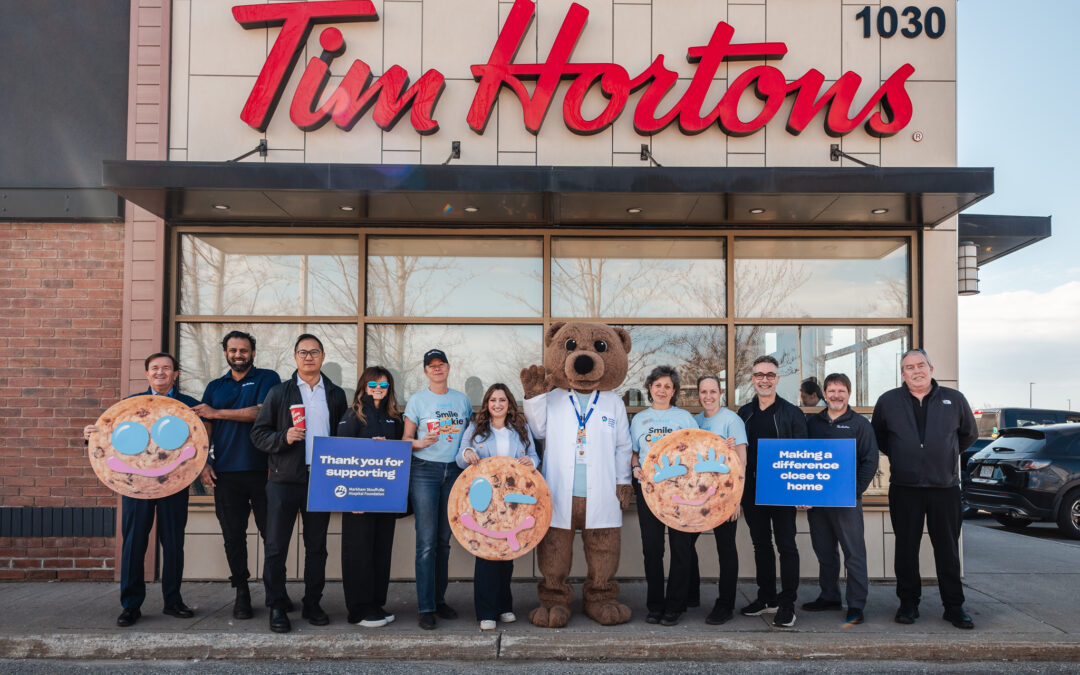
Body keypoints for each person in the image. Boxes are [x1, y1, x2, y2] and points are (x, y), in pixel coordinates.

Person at [82, 352, 207, 628]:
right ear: (147, 373)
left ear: (176, 374)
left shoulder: (190, 406)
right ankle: (130, 605)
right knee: (134, 543)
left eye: (167, 368)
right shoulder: (129, 406)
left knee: (173, 544)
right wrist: (91, 436)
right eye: (155, 368)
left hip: (175, 483)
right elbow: (110, 440)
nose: (160, 372)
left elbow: (203, 441)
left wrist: (206, 464)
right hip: (135, 485)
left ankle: (173, 601)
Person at [871, 349, 978, 630]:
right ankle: (908, 603)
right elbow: (879, 436)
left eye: (920, 365)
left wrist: (943, 455)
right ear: (902, 374)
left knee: (947, 549)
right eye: (909, 367)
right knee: (906, 549)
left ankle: (954, 607)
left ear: (931, 368)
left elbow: (968, 435)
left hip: (945, 487)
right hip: (904, 488)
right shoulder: (888, 401)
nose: (916, 371)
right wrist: (904, 454)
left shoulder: (954, 399)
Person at [251, 334, 348, 633]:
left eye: (314, 352)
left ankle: (312, 603)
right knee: (276, 547)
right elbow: (258, 434)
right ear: (295, 357)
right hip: (283, 480)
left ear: (323, 356)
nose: (308, 357)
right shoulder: (279, 392)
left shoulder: (335, 394)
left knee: (317, 547)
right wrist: (284, 437)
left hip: (321, 479)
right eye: (303, 352)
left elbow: (344, 436)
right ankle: (277, 606)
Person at [191, 330, 280, 620]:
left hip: (264, 471)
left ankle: (275, 593)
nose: (238, 355)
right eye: (233, 350)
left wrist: (217, 412)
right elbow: (205, 426)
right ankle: (241, 591)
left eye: (243, 350)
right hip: (225, 474)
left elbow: (261, 412)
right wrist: (203, 462)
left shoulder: (267, 378)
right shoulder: (215, 386)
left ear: (252, 353)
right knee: (233, 536)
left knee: (272, 537)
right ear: (226, 353)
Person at [456, 383, 540, 631]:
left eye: (502, 400)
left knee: (506, 553)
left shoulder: (520, 428)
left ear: (509, 404)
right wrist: (468, 453)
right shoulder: (476, 427)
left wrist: (530, 461)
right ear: (487, 404)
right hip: (484, 501)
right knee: (486, 553)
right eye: (493, 400)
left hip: (512, 501)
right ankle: (486, 612)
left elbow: (535, 456)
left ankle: (504, 606)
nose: (497, 404)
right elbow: (460, 456)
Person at [403, 348, 472, 630]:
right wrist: (421, 443)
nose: (437, 369)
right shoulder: (417, 400)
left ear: (448, 367)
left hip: (454, 471)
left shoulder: (461, 400)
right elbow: (406, 440)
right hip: (425, 471)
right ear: (425, 371)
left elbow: (471, 436)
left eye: (441, 364)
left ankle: (439, 600)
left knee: (444, 541)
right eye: (431, 366)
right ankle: (426, 607)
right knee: (427, 542)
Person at [737, 355, 808, 628]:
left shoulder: (792, 413)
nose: (764, 380)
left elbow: (802, 456)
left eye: (769, 375)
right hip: (752, 489)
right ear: (752, 379)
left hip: (782, 489)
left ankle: (787, 604)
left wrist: (801, 492)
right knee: (761, 545)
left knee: (786, 545)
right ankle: (767, 598)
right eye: (759, 375)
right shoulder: (744, 413)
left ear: (777, 379)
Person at [804, 373, 879, 625]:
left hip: (847, 502)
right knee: (824, 551)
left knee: (854, 554)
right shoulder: (813, 423)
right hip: (818, 502)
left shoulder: (860, 425)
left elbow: (870, 461)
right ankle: (829, 596)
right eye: (832, 391)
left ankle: (856, 604)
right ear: (825, 394)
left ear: (849, 394)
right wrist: (803, 493)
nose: (836, 395)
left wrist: (853, 492)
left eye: (841, 391)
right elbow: (803, 458)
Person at [629, 366, 699, 626]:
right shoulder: (639, 419)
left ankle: (675, 605)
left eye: (667, 386)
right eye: (658, 385)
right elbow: (634, 453)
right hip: (650, 491)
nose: (662, 390)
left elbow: (698, 450)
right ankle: (655, 605)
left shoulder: (684, 418)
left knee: (681, 548)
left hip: (680, 491)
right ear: (650, 388)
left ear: (674, 391)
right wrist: (635, 468)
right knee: (652, 549)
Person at [337, 366, 405, 628]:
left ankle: (376, 604)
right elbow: (341, 455)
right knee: (359, 553)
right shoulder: (353, 414)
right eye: (373, 384)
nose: (378, 389)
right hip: (358, 500)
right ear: (364, 386)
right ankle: (358, 610)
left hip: (385, 497)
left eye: (384, 385)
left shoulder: (394, 418)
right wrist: (350, 498)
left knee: (380, 552)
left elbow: (400, 455)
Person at [693, 374, 748, 626]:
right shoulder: (695, 421)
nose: (708, 396)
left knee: (725, 549)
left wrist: (736, 499)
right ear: (698, 394)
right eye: (703, 392)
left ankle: (725, 605)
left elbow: (741, 461)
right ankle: (691, 594)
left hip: (725, 495)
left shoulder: (731, 420)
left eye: (712, 391)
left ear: (720, 393)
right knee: (684, 543)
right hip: (698, 496)